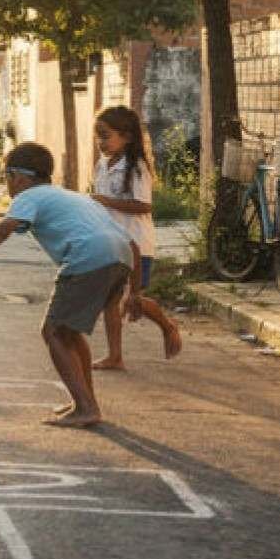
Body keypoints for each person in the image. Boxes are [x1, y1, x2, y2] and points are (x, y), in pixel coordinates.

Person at [0, 141, 137, 428]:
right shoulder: (73, 197)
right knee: (70, 333)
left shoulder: (29, 195)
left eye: (5, 177)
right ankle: (85, 402)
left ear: (18, 177)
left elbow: (2, 230)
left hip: (89, 257)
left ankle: (86, 407)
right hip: (121, 256)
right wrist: (136, 290)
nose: (7, 185)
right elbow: (131, 242)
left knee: (54, 332)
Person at [87, 105, 184, 369]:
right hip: (110, 243)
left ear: (127, 137)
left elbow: (144, 206)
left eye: (106, 136)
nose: (101, 142)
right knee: (112, 301)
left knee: (134, 302)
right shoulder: (102, 165)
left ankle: (167, 325)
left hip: (136, 243)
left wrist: (105, 201)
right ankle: (115, 356)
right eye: (98, 136)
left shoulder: (136, 167)